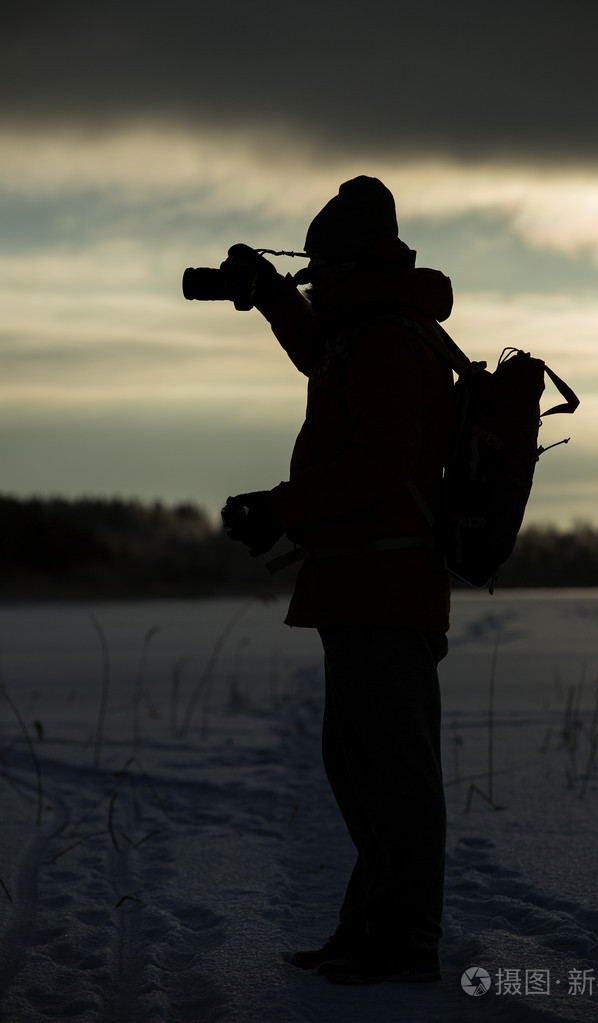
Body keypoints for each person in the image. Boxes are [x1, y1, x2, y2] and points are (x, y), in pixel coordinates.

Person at [223, 176, 454, 984]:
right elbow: (320, 349)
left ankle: (404, 942)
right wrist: (271, 296)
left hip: (387, 592)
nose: (315, 283)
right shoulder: (366, 331)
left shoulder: (389, 339)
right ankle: (369, 930)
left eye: (320, 269)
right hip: (360, 590)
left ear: (350, 263)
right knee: (360, 771)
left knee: (395, 775)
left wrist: (280, 507)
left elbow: (382, 465)